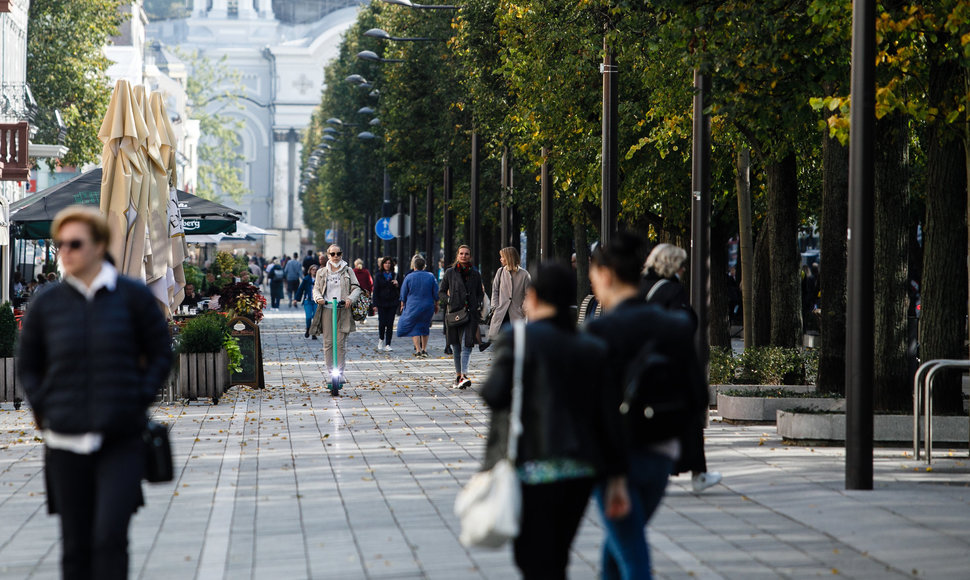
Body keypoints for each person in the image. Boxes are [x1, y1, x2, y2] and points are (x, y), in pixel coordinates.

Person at [18, 206, 172, 580]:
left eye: (75, 243)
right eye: (60, 245)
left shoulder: (132, 297)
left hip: (120, 440)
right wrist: (45, 408)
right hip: (64, 443)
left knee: (109, 538)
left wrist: (138, 400)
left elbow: (161, 354)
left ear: (100, 245)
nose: (65, 252)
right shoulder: (47, 303)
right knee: (76, 546)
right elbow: (29, 366)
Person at [480, 263, 629, 580]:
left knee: (531, 558)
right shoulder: (591, 346)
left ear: (532, 297)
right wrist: (617, 476)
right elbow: (609, 416)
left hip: (533, 465)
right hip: (580, 468)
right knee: (557, 553)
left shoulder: (519, 339)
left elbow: (493, 394)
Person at [586, 232, 708, 580]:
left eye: (594, 277)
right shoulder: (675, 326)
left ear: (606, 275)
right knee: (617, 550)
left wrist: (613, 475)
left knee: (632, 557)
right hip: (661, 453)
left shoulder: (600, 332)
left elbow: (594, 409)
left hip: (614, 462)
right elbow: (697, 396)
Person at [640, 243, 721, 493]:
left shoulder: (639, 286)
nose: (684, 269)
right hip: (671, 367)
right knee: (688, 421)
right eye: (681, 264)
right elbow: (683, 326)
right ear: (672, 265)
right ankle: (698, 473)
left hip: (643, 365)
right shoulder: (673, 291)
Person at [310, 244, 361, 384]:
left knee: (340, 343)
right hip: (327, 310)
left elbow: (356, 288)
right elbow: (316, 289)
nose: (336, 256)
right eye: (333, 254)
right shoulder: (321, 272)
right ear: (328, 255)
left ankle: (340, 373)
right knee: (328, 343)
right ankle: (331, 373)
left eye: (338, 253)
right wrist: (318, 298)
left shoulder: (348, 270)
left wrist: (350, 298)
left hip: (343, 310)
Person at [439, 245, 484, 389]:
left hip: (470, 314)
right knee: (456, 346)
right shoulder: (450, 272)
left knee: (467, 344)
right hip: (454, 314)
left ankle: (464, 375)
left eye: (466, 254)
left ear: (470, 256)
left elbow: (480, 293)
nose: (464, 256)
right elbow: (440, 292)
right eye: (461, 253)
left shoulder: (475, 274)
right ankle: (458, 375)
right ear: (457, 255)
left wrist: (477, 303)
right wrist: (449, 300)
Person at [487, 247, 531, 342]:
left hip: (517, 313)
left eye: (502, 257)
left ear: (509, 258)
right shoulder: (500, 272)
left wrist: (523, 309)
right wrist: (495, 307)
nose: (500, 259)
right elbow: (495, 290)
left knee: (517, 341)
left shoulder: (524, 275)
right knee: (501, 342)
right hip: (501, 313)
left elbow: (529, 294)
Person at [398, 255, 439, 357]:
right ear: (424, 266)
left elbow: (403, 293)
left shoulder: (409, 277)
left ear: (414, 266)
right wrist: (436, 305)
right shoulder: (431, 276)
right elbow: (436, 292)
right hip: (427, 305)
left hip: (413, 305)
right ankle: (425, 349)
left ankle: (418, 350)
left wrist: (402, 304)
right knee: (425, 326)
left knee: (414, 327)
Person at [372, 257, 400, 352]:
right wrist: (374, 304)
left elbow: (400, 290)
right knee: (382, 323)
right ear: (382, 265)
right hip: (381, 302)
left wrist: (397, 284)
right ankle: (381, 339)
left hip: (392, 302)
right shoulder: (379, 275)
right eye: (385, 263)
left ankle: (388, 343)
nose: (387, 265)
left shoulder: (395, 275)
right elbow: (375, 290)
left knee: (390, 324)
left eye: (389, 263)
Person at [293, 264, 319, 339]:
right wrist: (296, 299)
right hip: (307, 301)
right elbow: (301, 289)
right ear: (310, 271)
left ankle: (314, 333)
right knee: (308, 317)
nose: (314, 271)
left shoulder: (320, 279)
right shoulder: (306, 279)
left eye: (316, 270)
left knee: (315, 317)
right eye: (313, 269)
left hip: (316, 301)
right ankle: (308, 329)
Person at [353, 258, 374, 323]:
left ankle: (356, 317)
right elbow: (370, 282)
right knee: (364, 305)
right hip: (365, 292)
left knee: (356, 305)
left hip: (355, 291)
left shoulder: (353, 271)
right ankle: (363, 318)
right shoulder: (366, 272)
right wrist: (370, 291)